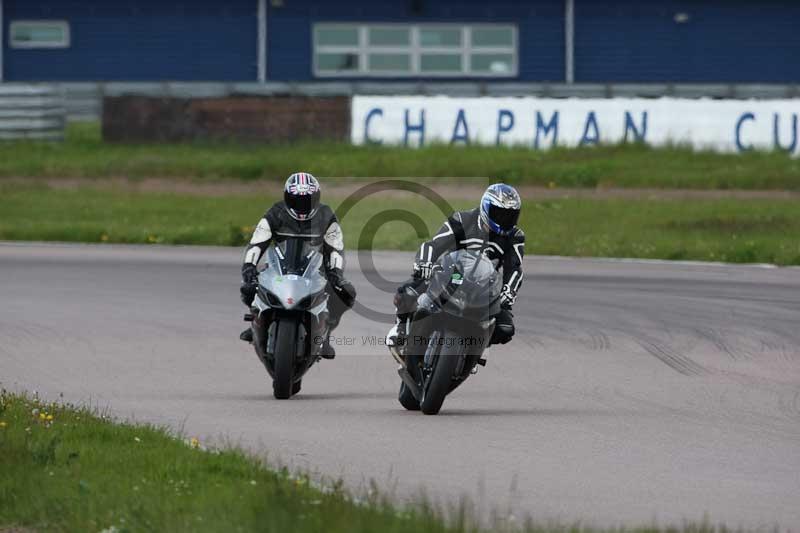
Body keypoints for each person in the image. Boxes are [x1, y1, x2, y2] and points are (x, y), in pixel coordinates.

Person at [387, 183, 524, 351]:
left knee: (505, 328)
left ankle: (475, 350)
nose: (505, 220)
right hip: (452, 276)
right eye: (499, 213)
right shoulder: (462, 220)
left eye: (510, 216)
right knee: (408, 292)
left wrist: (508, 292)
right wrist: (424, 264)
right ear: (486, 207)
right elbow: (433, 245)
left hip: (485, 288)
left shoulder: (515, 236)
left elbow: (515, 268)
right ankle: (401, 328)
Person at [239, 173, 356, 359]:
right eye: (297, 200)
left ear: (317, 198)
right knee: (248, 287)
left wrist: (335, 274)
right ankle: (255, 320)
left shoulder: (326, 215)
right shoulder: (276, 212)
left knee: (346, 292)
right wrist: (249, 266)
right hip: (279, 266)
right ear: (287, 197)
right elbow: (257, 241)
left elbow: (335, 247)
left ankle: (326, 333)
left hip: (315, 269)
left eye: (307, 200)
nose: (302, 205)